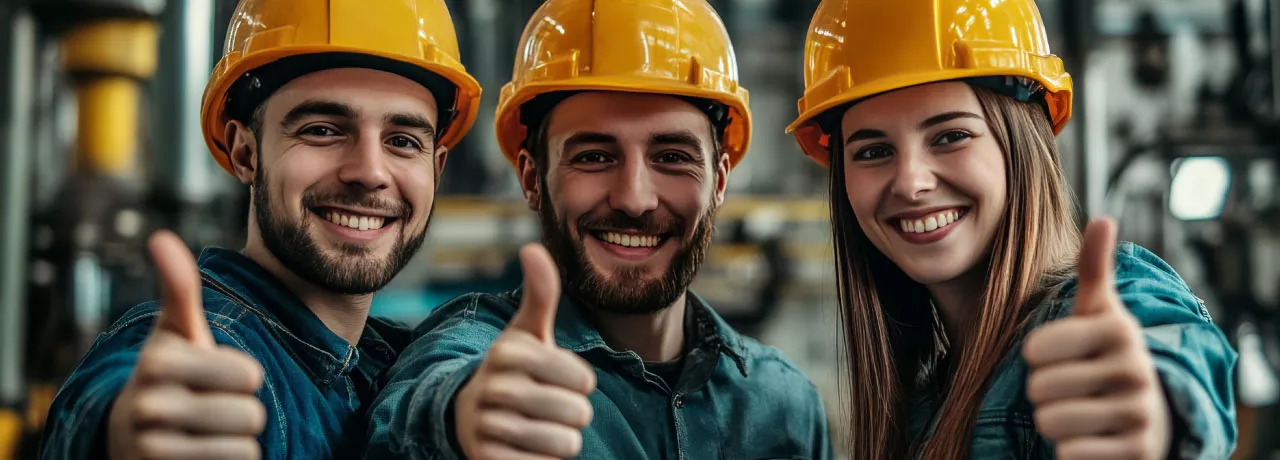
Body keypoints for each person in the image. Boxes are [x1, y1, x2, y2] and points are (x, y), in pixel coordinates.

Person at [364, 0, 834, 459]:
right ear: (532, 178)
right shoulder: (479, 352)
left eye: (672, 157)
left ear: (720, 181)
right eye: (594, 157)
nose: (634, 199)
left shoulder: (784, 406)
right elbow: (410, 415)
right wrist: (460, 418)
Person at [784, 1, 1238, 459]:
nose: (909, 182)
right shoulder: (924, 402)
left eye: (950, 136)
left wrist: (1153, 417)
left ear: (1022, 141)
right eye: (872, 151)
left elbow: (1166, 360)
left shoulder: (1100, 305)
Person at [40, 0, 481, 458]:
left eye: (403, 142)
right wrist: (123, 432)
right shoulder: (208, 348)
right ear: (245, 153)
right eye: (323, 130)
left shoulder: (390, 364)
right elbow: (116, 401)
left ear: (437, 168)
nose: (370, 171)